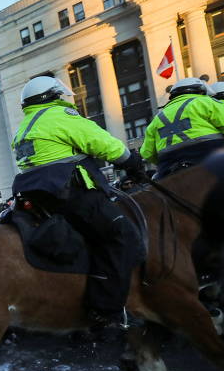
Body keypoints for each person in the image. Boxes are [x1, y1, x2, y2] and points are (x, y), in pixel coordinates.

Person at [11, 75, 143, 328]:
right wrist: (132, 162)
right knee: (121, 236)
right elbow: (103, 143)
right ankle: (106, 311)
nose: (63, 98)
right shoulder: (60, 117)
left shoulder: (23, 128)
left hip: (41, 201)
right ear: (52, 96)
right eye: (59, 95)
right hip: (72, 194)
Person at [140, 77, 224, 178]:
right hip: (211, 156)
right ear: (200, 91)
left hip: (169, 166)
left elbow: (147, 153)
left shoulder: (157, 118)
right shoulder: (205, 102)